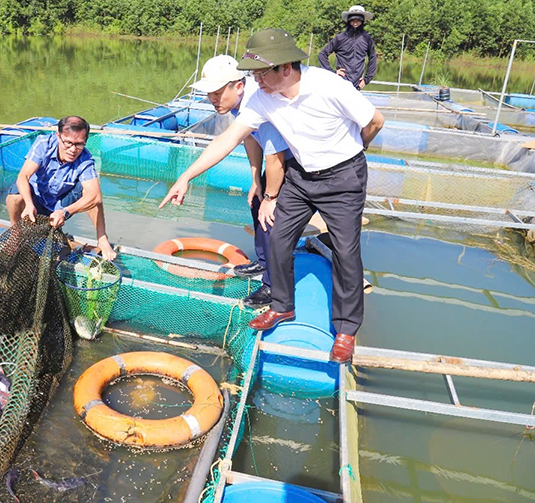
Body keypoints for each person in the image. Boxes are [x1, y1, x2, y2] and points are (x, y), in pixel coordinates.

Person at [160, 29, 384, 363]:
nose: (254, 80)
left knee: (346, 253)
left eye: (259, 73)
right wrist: (186, 176)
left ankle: (345, 330)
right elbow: (230, 139)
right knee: (278, 237)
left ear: (285, 67)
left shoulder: (328, 86)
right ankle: (281, 306)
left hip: (343, 178)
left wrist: (353, 150)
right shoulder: (262, 96)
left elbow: (375, 122)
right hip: (301, 177)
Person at [189, 55, 291, 308]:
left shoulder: (257, 102)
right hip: (277, 158)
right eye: (209, 93)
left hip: (295, 161)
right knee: (257, 205)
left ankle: (271, 286)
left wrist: (271, 196)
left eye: (217, 92)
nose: (212, 99)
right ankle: (263, 262)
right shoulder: (239, 104)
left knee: (271, 216)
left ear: (239, 85)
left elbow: (276, 156)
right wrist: (256, 178)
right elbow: (250, 138)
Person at [6, 115, 117, 261]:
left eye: (79, 144)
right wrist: (28, 204)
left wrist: (65, 212)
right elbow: (23, 176)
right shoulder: (43, 144)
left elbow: (95, 196)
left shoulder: (85, 160)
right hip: (36, 200)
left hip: (60, 206)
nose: (73, 149)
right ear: (58, 136)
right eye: (68, 143)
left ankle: (102, 238)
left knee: (92, 194)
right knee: (15, 195)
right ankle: (15, 233)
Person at [318, 5, 377, 91]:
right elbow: (322, 54)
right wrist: (332, 72)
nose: (355, 23)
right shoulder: (340, 38)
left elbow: (373, 58)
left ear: (362, 21)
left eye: (358, 21)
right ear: (348, 21)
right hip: (340, 83)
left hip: (357, 85)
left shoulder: (367, 38)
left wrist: (367, 78)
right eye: (353, 20)